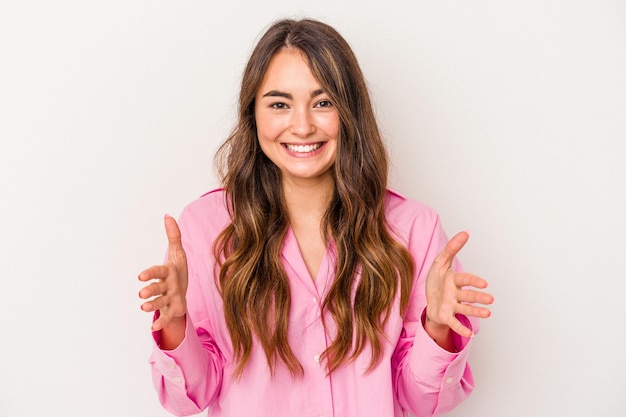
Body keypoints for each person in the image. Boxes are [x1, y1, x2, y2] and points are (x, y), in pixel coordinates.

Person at [138, 18, 494, 417]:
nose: (303, 126)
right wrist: (175, 323)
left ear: (350, 113)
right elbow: (191, 397)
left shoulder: (414, 230)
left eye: (323, 103)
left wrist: (437, 330)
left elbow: (421, 401)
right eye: (279, 104)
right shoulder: (205, 227)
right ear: (253, 115)